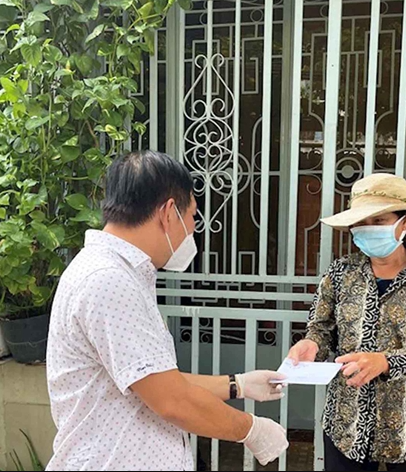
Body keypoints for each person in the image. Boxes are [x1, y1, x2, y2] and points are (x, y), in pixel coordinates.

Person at [46, 151, 288, 471]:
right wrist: (251, 430)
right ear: (169, 212)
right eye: (193, 216)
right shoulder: (108, 280)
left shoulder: (118, 273)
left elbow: (158, 380)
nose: (193, 228)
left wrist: (238, 384)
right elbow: (172, 400)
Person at [288, 173, 406, 472]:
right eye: (361, 223)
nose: (368, 229)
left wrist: (386, 361)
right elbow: (321, 327)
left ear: (405, 222)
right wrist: (311, 344)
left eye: (378, 221)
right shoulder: (340, 273)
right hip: (347, 424)